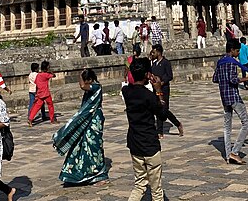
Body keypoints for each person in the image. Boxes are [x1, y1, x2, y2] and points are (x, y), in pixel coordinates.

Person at [121, 57, 183, 201]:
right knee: (156, 189)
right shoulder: (149, 96)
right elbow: (162, 114)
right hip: (149, 144)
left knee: (139, 184)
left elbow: (127, 83)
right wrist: (159, 90)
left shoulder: (126, 92)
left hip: (135, 143)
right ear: (147, 75)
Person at [52, 68, 109, 186]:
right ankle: (81, 173)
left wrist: (80, 76)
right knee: (81, 146)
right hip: (86, 120)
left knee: (94, 147)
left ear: (91, 80)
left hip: (94, 121)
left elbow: (82, 86)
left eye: (87, 80)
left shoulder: (96, 87)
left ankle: (99, 175)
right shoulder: (90, 89)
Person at [212, 38, 248, 165]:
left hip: (224, 97)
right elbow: (233, 80)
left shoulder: (220, 62)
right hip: (233, 96)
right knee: (246, 123)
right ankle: (234, 152)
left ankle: (227, 153)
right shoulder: (231, 63)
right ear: (232, 50)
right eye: (237, 51)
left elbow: (215, 79)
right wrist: (246, 78)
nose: (238, 53)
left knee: (227, 126)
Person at [149, 44, 173, 138]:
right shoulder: (154, 64)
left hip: (164, 89)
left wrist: (161, 83)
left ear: (158, 52)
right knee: (156, 108)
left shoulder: (166, 63)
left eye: (154, 52)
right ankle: (159, 130)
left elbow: (170, 76)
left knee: (163, 108)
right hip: (155, 89)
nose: (152, 54)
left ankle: (175, 124)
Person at [29, 60, 58, 126]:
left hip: (40, 92)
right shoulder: (46, 75)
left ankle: (30, 119)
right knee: (50, 105)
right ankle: (52, 119)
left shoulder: (38, 75)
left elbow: (36, 82)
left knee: (37, 106)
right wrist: (49, 71)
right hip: (46, 92)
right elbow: (54, 75)